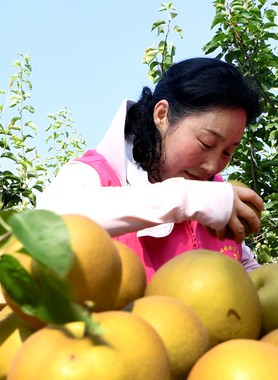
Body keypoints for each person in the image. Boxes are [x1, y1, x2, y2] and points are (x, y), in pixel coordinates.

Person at [36, 57, 265, 279]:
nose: (213, 166)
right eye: (206, 143)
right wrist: (184, 198)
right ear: (162, 115)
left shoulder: (216, 195)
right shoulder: (94, 176)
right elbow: (48, 221)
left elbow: (243, 266)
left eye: (227, 152)